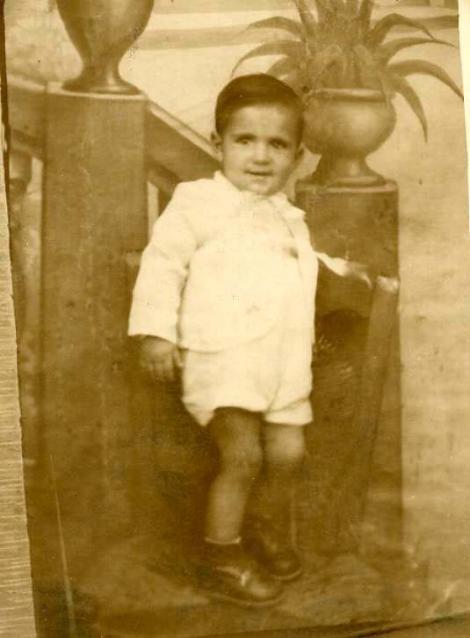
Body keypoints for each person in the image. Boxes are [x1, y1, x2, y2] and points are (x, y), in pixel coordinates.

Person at [129, 73, 369, 607]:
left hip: (281, 362)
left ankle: (259, 526)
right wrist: (155, 332)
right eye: (245, 140)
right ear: (219, 144)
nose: (260, 156)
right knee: (242, 456)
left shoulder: (287, 216)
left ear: (297, 156)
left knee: (287, 453)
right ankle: (222, 555)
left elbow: (296, 263)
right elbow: (163, 265)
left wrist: (340, 269)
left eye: (277, 144)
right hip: (225, 360)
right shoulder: (197, 202)